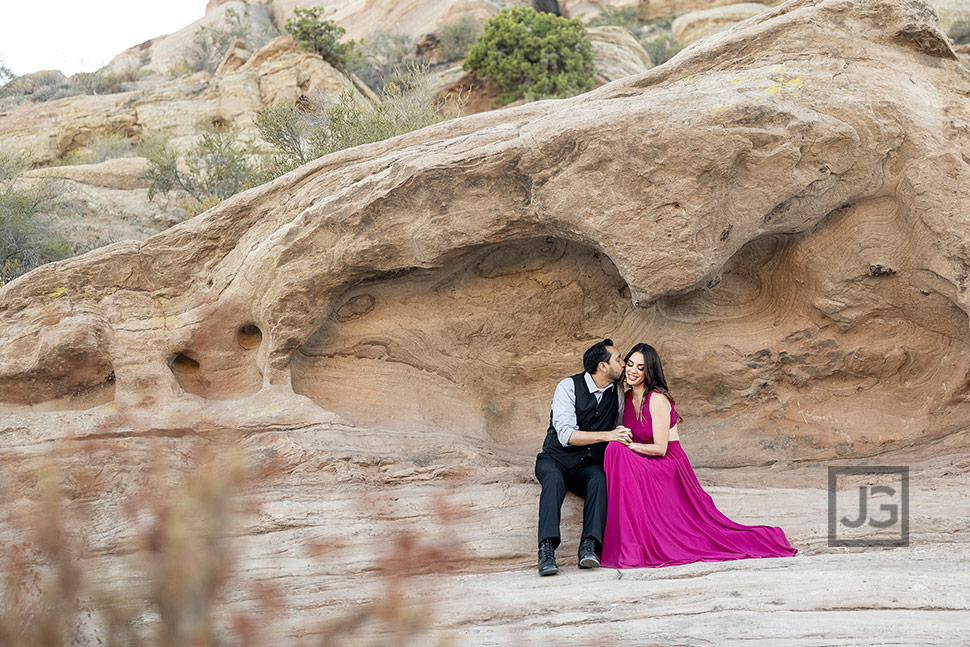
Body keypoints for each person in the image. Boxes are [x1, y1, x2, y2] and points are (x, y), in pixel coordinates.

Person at [600, 343, 798, 569]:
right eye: (631, 365)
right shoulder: (624, 398)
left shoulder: (656, 398)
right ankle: (627, 540)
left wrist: (628, 444)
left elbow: (660, 449)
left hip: (667, 463)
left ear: (650, 371)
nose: (633, 371)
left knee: (616, 449)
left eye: (641, 368)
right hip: (643, 458)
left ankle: (634, 545)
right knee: (614, 449)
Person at [534, 339, 631, 576]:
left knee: (599, 480)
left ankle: (589, 546)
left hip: (588, 463)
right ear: (603, 366)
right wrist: (608, 436)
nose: (623, 363)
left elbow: (619, 424)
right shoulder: (567, 386)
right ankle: (546, 550)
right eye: (618, 359)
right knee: (554, 480)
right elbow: (566, 435)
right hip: (555, 458)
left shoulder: (617, 392)